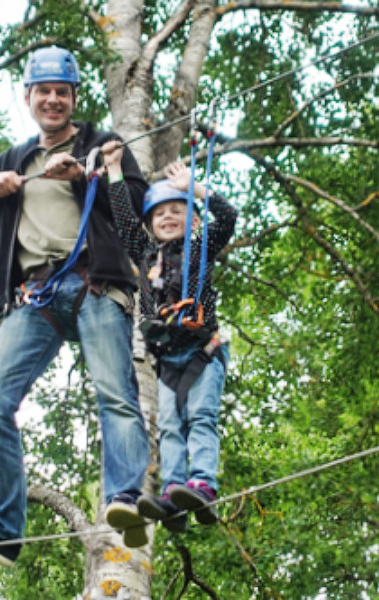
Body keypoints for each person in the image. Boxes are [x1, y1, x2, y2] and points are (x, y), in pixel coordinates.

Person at [0, 46, 152, 566]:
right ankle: (4, 529)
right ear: (29, 98)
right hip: (34, 297)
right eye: (44, 92)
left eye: (62, 92)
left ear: (73, 98)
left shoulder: (102, 144)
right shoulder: (16, 160)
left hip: (94, 282)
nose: (53, 100)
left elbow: (138, 206)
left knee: (115, 395)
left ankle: (125, 499)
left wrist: (87, 175)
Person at [102, 142, 238, 533]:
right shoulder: (145, 254)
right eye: (160, 213)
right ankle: (176, 489)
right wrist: (114, 170)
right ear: (150, 223)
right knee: (170, 427)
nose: (167, 218)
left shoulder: (200, 247)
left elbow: (227, 217)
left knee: (200, 417)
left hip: (202, 351)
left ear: (193, 221)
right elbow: (125, 220)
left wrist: (194, 188)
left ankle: (203, 484)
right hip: (165, 358)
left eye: (177, 212)